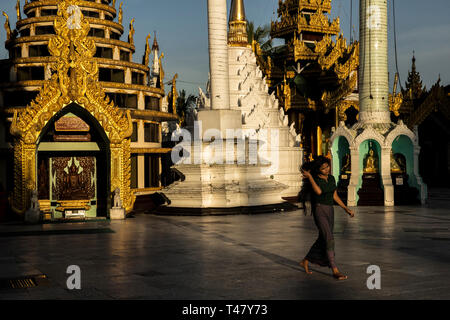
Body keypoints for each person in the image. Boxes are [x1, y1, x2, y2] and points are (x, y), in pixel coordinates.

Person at [299, 156, 355, 280]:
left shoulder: (331, 178)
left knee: (323, 237)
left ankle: (305, 260)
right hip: (319, 209)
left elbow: (334, 196)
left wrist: (346, 209)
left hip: (330, 210)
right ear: (318, 170)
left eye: (327, 167)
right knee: (329, 238)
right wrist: (310, 178)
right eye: (323, 168)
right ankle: (335, 269)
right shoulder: (316, 179)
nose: (326, 170)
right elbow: (318, 192)